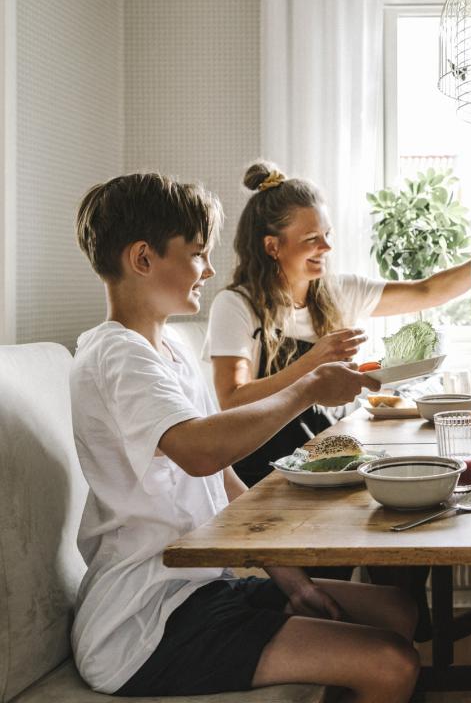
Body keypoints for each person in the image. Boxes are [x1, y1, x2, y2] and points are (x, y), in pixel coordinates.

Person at [71, 173, 419, 701]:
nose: (208, 269)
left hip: (200, 587)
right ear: (143, 258)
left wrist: (293, 580)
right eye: (196, 253)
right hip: (145, 621)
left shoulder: (168, 352)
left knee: (396, 609)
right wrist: (307, 386)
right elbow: (201, 453)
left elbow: (225, 481)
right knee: (391, 664)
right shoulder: (116, 353)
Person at [205, 160, 471, 486]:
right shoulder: (236, 305)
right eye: (312, 238)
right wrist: (312, 364)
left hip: (330, 460)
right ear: (273, 246)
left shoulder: (338, 291)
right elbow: (232, 400)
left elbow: (425, 291)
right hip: (265, 473)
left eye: (327, 234)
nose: (327, 247)